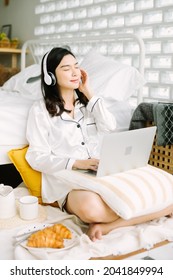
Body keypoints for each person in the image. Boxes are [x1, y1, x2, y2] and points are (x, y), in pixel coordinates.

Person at [25, 47, 122, 241]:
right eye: (66, 68)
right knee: (92, 207)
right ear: (50, 77)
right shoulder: (40, 110)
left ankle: (111, 224)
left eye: (76, 66)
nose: (75, 72)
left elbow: (110, 126)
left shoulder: (88, 104)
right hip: (66, 182)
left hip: (97, 172)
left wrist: (89, 92)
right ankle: (124, 221)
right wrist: (76, 163)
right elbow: (36, 156)